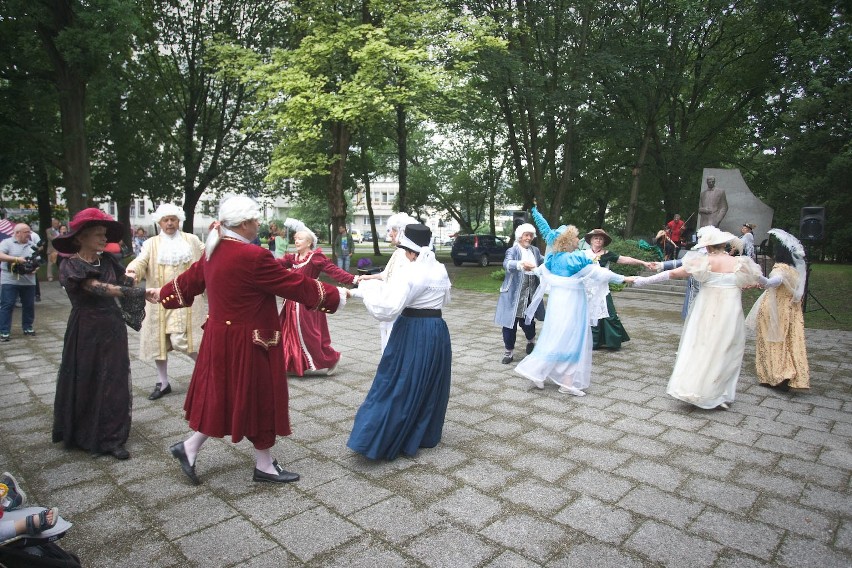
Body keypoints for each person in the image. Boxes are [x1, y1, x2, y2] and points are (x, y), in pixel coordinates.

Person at [150, 196, 346, 485]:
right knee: (260, 398)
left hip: (219, 339)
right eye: (255, 220)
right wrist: (338, 296)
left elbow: (188, 281)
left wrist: (162, 294)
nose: (259, 225)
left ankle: (191, 448)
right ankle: (262, 465)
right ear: (243, 224)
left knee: (225, 395)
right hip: (251, 342)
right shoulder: (253, 257)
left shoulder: (213, 250)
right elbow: (293, 284)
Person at [347, 223, 452, 460]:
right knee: (427, 381)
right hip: (436, 329)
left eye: (405, 250)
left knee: (398, 381)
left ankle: (380, 437)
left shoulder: (413, 272)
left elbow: (387, 309)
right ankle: (422, 431)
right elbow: (444, 299)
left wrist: (366, 289)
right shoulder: (439, 268)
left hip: (413, 329)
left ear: (412, 251)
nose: (404, 254)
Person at [632, 226, 762, 409]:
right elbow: (760, 279)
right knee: (725, 349)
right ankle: (719, 393)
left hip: (707, 310)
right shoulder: (740, 263)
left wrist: (642, 281)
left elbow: (673, 274)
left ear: (708, 247)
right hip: (730, 312)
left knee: (701, 345)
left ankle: (696, 387)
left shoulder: (705, 262)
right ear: (724, 245)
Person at [51, 208, 145, 460]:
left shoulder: (109, 261)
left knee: (113, 379)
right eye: (98, 235)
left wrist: (133, 278)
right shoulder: (70, 265)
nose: (104, 239)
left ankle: (111, 437)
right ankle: (82, 432)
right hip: (85, 329)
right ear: (80, 237)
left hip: (112, 327)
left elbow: (125, 282)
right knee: (87, 377)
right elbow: (96, 288)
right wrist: (138, 292)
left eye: (105, 235)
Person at [516, 209, 633, 396]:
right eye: (576, 237)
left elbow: (540, 270)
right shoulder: (575, 259)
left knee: (555, 337)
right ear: (568, 240)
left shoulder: (553, 259)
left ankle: (540, 373)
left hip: (557, 304)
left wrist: (531, 267)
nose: (579, 240)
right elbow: (598, 273)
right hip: (572, 305)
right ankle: (565, 382)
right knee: (573, 340)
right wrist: (624, 278)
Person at [124, 204, 206, 400]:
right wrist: (132, 272)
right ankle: (163, 382)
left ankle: (209, 372)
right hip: (158, 299)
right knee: (158, 343)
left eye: (173, 219)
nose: (170, 223)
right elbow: (141, 261)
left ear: (179, 220)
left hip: (186, 300)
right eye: (165, 220)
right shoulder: (151, 243)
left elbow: (208, 256)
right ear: (159, 222)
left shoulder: (192, 240)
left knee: (183, 340)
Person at [278, 217, 357, 376]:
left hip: (309, 303)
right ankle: (291, 363)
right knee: (287, 334)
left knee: (310, 335)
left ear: (309, 242)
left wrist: (354, 279)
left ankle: (332, 358)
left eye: (300, 239)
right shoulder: (292, 258)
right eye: (295, 238)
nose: (296, 241)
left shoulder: (315, 258)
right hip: (291, 304)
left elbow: (333, 271)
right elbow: (274, 265)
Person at [745, 229, 810, 391]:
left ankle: (776, 375)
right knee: (789, 343)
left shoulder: (780, 269)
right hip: (792, 311)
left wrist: (756, 275)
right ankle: (791, 373)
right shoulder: (796, 272)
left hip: (775, 310)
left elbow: (773, 282)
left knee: (771, 341)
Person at [358, 212, 418, 353]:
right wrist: (369, 277)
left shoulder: (407, 256)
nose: (390, 234)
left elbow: (401, 283)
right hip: (390, 302)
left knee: (395, 340)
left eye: (394, 230)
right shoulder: (398, 252)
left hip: (398, 306)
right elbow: (387, 275)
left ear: (402, 232)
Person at [583, 228, 651, 351]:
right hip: (587, 290)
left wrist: (643, 262)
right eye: (596, 238)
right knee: (589, 315)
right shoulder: (583, 254)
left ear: (604, 242)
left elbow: (625, 259)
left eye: (601, 238)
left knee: (610, 314)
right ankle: (592, 342)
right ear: (591, 240)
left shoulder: (607, 254)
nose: (598, 240)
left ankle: (612, 341)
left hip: (602, 290)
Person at [494, 222, 544, 364]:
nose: (529, 238)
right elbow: (507, 263)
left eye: (531, 235)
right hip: (512, 295)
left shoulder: (534, 250)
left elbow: (543, 261)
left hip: (530, 294)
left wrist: (556, 261)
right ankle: (508, 352)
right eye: (526, 235)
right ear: (520, 236)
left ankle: (531, 341)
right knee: (509, 324)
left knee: (528, 322)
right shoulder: (513, 250)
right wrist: (521, 264)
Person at [0, 223, 41, 342]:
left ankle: (28, 327)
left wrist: (35, 268)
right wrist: (16, 259)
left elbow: (37, 260)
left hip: (28, 280)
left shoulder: (31, 245)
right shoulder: (7, 243)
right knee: (7, 304)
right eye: (26, 232)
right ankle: (4, 331)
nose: (29, 234)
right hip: (9, 279)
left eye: (29, 231)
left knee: (29, 305)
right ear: (17, 233)